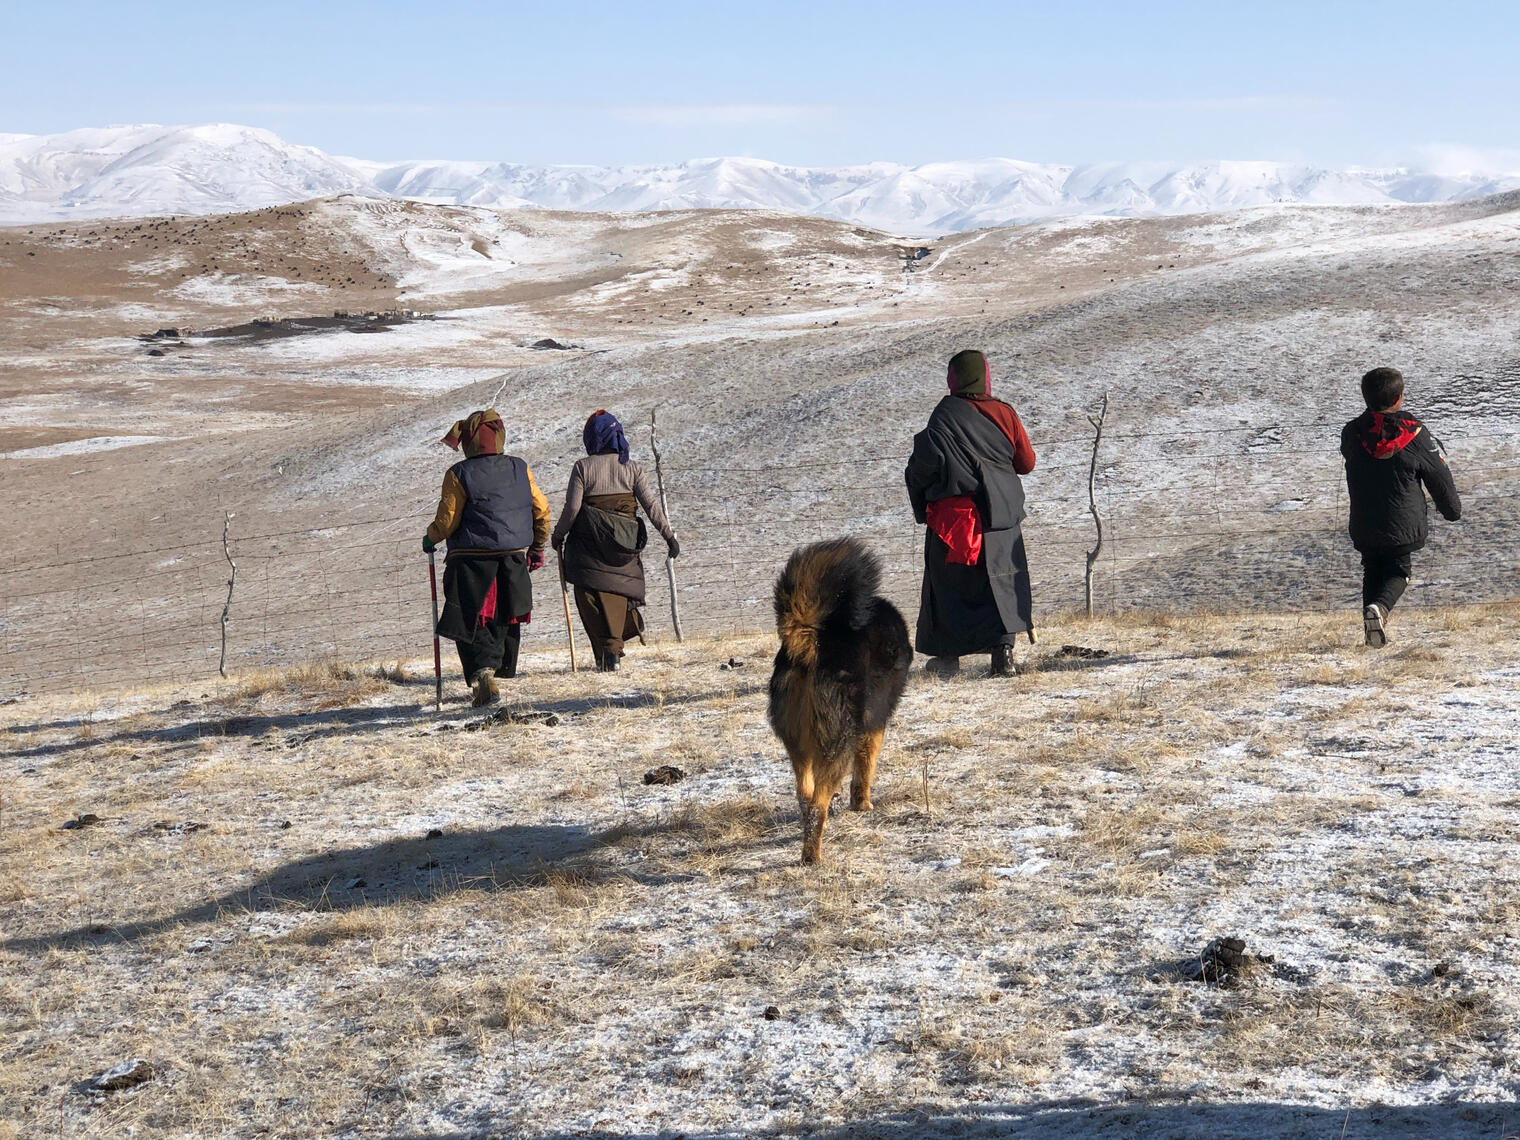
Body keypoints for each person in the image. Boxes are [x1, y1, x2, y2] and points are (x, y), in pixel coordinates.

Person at [905, 349, 1036, 678]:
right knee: (1002, 587)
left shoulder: (945, 414)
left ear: (954, 378)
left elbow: (924, 466)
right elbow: (1027, 463)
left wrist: (922, 506)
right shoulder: (1005, 414)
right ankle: (1002, 656)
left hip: (956, 521)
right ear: (985, 375)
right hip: (1001, 519)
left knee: (949, 587)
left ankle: (948, 658)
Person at [423, 409, 551, 705]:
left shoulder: (458, 473)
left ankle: (483, 676)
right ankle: (491, 673)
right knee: (501, 616)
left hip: (469, 561)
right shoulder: (521, 468)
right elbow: (541, 510)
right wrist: (538, 546)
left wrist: (431, 537)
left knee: (471, 619)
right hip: (511, 558)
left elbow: (448, 521)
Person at [1340, 366, 1460, 648]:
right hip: (1403, 523)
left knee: (1372, 568)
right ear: (1399, 398)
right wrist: (1452, 511)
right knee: (1398, 572)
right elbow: (1438, 475)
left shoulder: (1351, 432)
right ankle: (1379, 610)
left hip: (1364, 521)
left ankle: (1372, 632)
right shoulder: (1414, 433)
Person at [552, 410, 679, 672]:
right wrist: (669, 536)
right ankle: (612, 652)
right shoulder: (632, 469)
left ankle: (606, 653)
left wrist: (558, 535)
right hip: (624, 545)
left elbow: (573, 509)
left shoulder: (583, 468)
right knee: (617, 591)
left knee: (587, 591)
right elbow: (651, 506)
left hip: (589, 546)